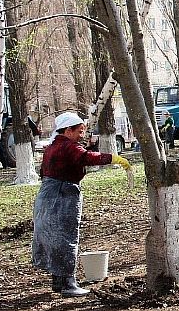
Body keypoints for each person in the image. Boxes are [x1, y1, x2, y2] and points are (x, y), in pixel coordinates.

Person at [32, 111, 131, 297]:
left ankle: (58, 282)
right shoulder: (68, 147)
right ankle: (69, 283)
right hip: (64, 195)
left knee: (54, 238)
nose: (81, 135)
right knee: (67, 237)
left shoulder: (51, 148)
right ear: (68, 130)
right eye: (79, 131)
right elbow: (87, 158)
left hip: (46, 196)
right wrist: (114, 158)